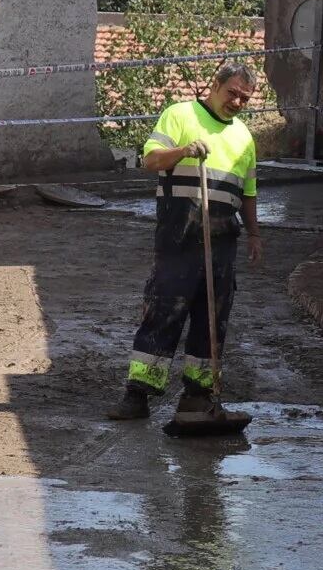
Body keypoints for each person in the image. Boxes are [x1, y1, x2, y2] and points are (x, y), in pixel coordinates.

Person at [108, 63, 264, 421]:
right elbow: (150, 160)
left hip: (223, 239)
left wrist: (255, 233)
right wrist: (182, 151)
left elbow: (250, 192)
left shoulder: (244, 138)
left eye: (245, 98)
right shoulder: (179, 115)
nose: (237, 102)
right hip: (179, 236)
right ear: (215, 85)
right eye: (233, 93)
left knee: (213, 318)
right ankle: (138, 396)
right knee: (164, 311)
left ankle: (198, 396)